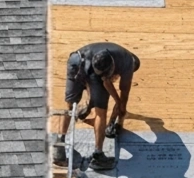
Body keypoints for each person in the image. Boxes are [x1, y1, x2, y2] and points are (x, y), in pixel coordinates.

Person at [53, 42, 140, 171]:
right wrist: (120, 106)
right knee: (101, 113)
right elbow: (117, 90)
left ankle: (59, 144)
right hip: (82, 64)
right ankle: (98, 155)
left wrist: (90, 104)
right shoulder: (126, 63)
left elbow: (102, 81)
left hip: (75, 60)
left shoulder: (108, 56)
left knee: (70, 106)